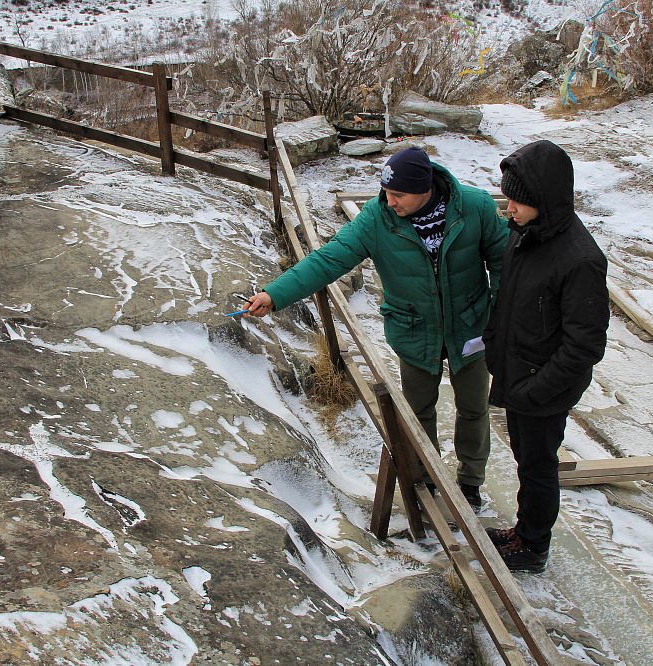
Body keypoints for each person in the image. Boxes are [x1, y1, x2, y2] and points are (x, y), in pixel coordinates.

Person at [246, 147, 509, 511]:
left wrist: (500, 321)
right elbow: (328, 259)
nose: (389, 201)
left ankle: (470, 482)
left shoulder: (474, 206)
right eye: (385, 192)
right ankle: (425, 479)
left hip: (472, 327)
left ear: (425, 189)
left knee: (474, 408)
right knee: (418, 411)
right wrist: (275, 294)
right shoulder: (376, 218)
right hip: (414, 329)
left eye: (398, 195)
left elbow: (504, 265)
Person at [482, 140, 609, 573]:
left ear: (541, 200)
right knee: (526, 459)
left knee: (538, 467)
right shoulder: (526, 236)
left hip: (543, 387)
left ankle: (533, 545)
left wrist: (536, 391)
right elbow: (510, 299)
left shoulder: (580, 260)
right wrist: (494, 344)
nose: (509, 208)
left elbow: (585, 346)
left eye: (517, 200)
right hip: (520, 376)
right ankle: (523, 529)